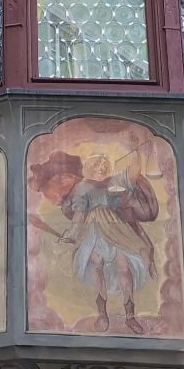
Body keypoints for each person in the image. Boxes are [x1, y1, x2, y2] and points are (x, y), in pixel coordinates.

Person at [55, 143, 160, 334]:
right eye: (98, 163)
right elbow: (79, 214)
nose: (102, 167)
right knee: (97, 263)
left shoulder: (114, 180)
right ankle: (102, 315)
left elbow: (134, 173)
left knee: (124, 264)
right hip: (95, 229)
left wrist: (136, 152)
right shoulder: (82, 187)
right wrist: (72, 233)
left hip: (116, 228)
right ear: (91, 166)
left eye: (105, 164)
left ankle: (130, 316)